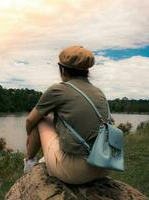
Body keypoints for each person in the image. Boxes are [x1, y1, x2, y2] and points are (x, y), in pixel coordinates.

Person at [24, 45, 110, 184]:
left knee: (40, 119)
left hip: (76, 172)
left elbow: (30, 121)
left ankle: (29, 163)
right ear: (87, 71)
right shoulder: (99, 92)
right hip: (104, 165)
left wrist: (29, 136)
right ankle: (51, 157)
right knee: (56, 119)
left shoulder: (58, 89)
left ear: (62, 69)